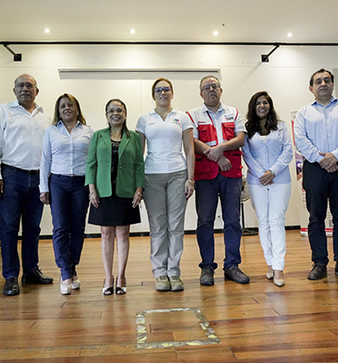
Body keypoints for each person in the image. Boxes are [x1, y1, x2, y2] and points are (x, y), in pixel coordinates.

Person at [293, 68, 338, 281]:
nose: (323, 84)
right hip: (314, 168)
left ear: (333, 85)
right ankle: (319, 263)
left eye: (326, 80)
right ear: (311, 88)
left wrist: (335, 155)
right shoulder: (304, 112)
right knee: (316, 217)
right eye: (318, 81)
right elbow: (301, 140)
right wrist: (321, 159)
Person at [0, 74, 54, 297]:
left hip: (38, 178)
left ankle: (31, 271)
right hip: (11, 176)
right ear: (14, 90)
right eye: (20, 86)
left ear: (37, 91)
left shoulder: (46, 116)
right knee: (8, 229)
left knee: (33, 228)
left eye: (29, 85)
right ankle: (10, 277)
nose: (25, 89)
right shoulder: (3, 111)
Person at [186, 75, 248, 286]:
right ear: (201, 93)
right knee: (205, 221)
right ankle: (206, 266)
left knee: (233, 221)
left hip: (231, 175)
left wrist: (221, 148)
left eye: (215, 86)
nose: (211, 89)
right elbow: (191, 141)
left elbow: (241, 138)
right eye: (207, 87)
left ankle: (232, 265)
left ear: (221, 90)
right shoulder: (192, 115)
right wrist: (217, 154)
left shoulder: (234, 112)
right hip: (205, 176)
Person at [136, 78, 195, 292]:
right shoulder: (144, 119)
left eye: (166, 89)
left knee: (176, 226)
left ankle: (174, 272)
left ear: (172, 93)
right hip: (152, 176)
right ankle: (160, 272)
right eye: (159, 90)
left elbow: (189, 150)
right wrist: (139, 183)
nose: (163, 93)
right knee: (158, 226)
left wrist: (190, 178)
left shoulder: (183, 117)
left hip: (178, 174)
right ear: (153, 94)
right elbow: (138, 153)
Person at [86, 99, 144, 295]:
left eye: (119, 110)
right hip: (103, 191)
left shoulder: (134, 137)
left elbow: (139, 165)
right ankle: (108, 276)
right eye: (111, 110)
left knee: (122, 233)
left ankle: (121, 276)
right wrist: (91, 189)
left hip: (125, 191)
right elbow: (91, 164)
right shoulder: (98, 136)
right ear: (106, 114)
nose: (115, 113)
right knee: (106, 233)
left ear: (125, 114)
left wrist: (139, 189)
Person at [39, 94, 93, 295]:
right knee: (61, 227)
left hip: (81, 183)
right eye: (62, 106)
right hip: (58, 183)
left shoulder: (88, 132)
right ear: (58, 110)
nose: (67, 108)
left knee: (78, 228)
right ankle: (64, 271)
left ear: (77, 109)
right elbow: (45, 160)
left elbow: (92, 161)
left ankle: (72, 267)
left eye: (70, 105)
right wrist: (43, 187)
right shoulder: (51, 131)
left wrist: (93, 186)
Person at [242, 91, 293, 287]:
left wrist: (273, 171)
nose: (262, 106)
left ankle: (279, 267)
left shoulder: (280, 126)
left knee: (276, 221)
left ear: (270, 106)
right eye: (258, 103)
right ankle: (270, 263)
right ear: (253, 107)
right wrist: (261, 173)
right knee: (263, 222)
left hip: (280, 180)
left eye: (265, 103)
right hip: (257, 182)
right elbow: (246, 154)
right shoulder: (247, 129)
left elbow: (288, 150)